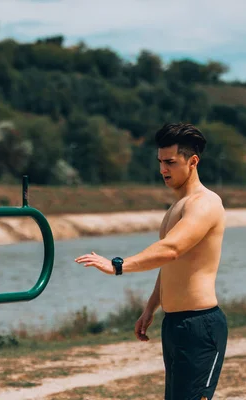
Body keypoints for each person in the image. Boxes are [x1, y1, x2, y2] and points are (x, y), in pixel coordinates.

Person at [75, 122, 228, 400]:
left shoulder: (205, 203)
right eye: (160, 162)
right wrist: (151, 308)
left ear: (193, 161)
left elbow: (171, 249)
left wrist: (117, 265)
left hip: (199, 325)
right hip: (175, 324)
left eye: (170, 162)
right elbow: (170, 265)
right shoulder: (176, 207)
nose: (162, 170)